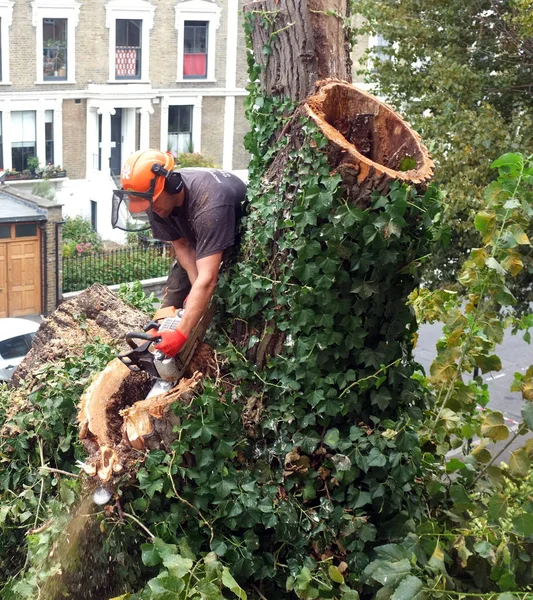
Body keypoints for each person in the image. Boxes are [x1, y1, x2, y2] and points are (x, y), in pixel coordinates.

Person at [114, 149, 246, 357]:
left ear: (172, 186)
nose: (150, 209)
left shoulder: (209, 206)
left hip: (227, 231)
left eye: (153, 203)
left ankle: (206, 344)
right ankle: (161, 331)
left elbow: (208, 279)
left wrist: (182, 333)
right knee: (177, 295)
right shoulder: (153, 199)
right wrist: (194, 290)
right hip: (196, 234)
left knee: (213, 294)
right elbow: (182, 244)